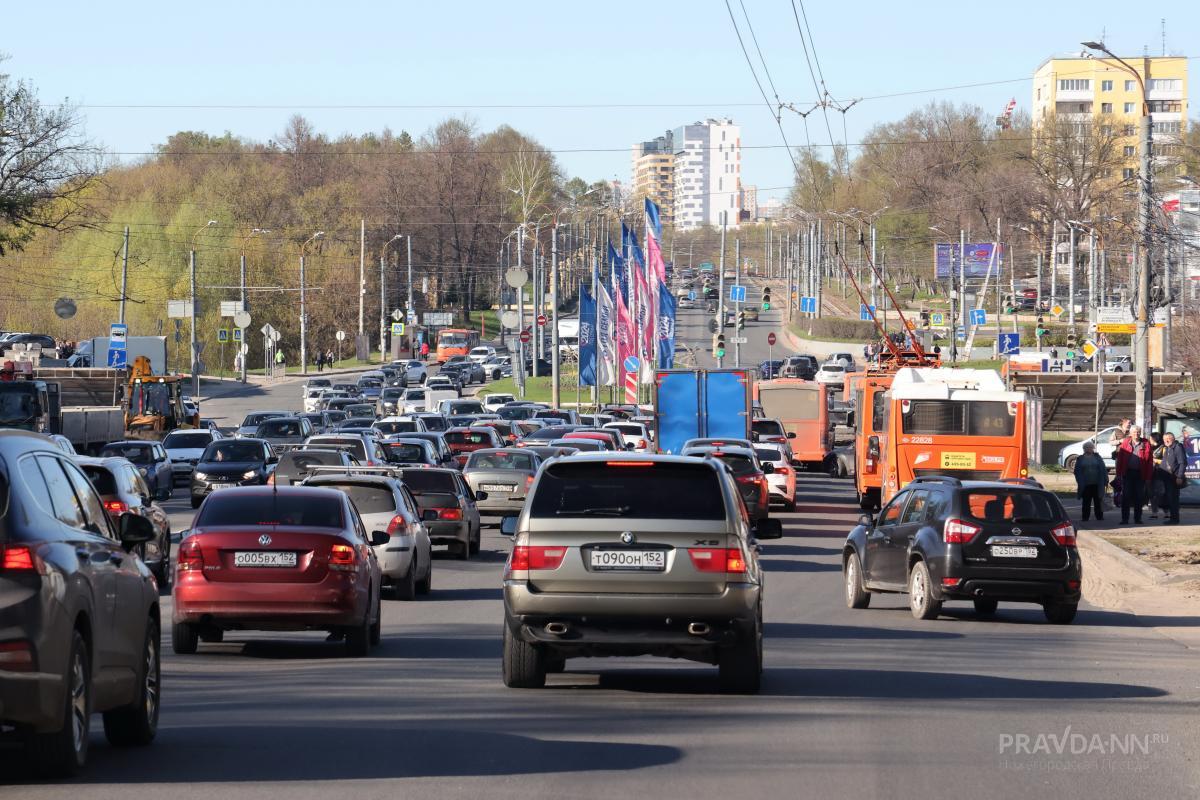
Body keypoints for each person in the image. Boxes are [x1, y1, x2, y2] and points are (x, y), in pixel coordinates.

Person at [1115, 425, 1154, 524]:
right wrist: (1118, 474)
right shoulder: (1125, 442)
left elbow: (1150, 462)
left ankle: (1138, 519)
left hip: (1140, 474)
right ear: (1130, 433)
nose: (1136, 434)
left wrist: (1148, 477)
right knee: (1126, 497)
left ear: (1140, 433)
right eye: (1134, 432)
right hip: (1127, 473)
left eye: (1138, 432)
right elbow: (1120, 459)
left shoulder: (1146, 443)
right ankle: (1124, 519)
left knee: (1139, 497)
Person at [1073, 441, 1108, 522]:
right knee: (1086, 502)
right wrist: (1079, 480)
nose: (1088, 449)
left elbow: (1103, 469)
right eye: (1087, 447)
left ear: (1093, 448)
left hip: (1097, 483)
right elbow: (1077, 471)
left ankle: (1099, 516)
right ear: (1084, 449)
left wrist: (1105, 480)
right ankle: (1085, 517)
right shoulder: (1080, 458)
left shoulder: (1097, 457)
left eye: (1090, 447)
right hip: (1085, 484)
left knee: (1098, 501)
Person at [1160, 431, 1188, 525]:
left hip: (1174, 478)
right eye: (1164, 439)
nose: (1166, 440)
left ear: (1173, 438)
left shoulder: (1177, 447)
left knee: (1173, 499)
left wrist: (1179, 476)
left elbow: (1182, 463)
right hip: (1167, 478)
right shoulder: (1167, 448)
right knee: (1169, 499)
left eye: (1168, 438)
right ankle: (1173, 518)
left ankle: (1174, 519)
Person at [1148, 432, 1166, 519]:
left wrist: (1155, 460)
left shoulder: (1163, 447)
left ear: (1155, 438)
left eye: (1150, 438)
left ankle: (1167, 511)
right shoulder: (1148, 447)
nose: (1149, 440)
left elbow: (1166, 461)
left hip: (1160, 473)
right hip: (1150, 473)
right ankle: (1154, 512)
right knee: (1152, 494)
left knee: (1161, 493)